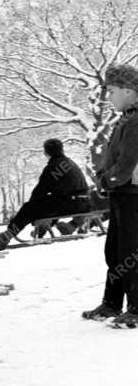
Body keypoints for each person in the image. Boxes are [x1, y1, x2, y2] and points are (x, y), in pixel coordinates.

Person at [81, 65, 138, 326]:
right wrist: (103, 176)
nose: (109, 97)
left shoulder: (135, 121)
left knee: (130, 252)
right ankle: (112, 303)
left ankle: (136, 309)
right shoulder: (126, 118)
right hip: (121, 193)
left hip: (132, 195)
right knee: (114, 251)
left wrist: (105, 180)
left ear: (129, 91)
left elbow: (127, 164)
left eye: (113, 91)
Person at [0, 139, 91, 250]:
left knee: (29, 208)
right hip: (84, 203)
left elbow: (40, 191)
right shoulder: (70, 163)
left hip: (71, 204)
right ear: (62, 149)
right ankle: (43, 228)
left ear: (46, 152)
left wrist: (26, 211)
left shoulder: (53, 167)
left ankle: (4, 238)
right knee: (50, 202)